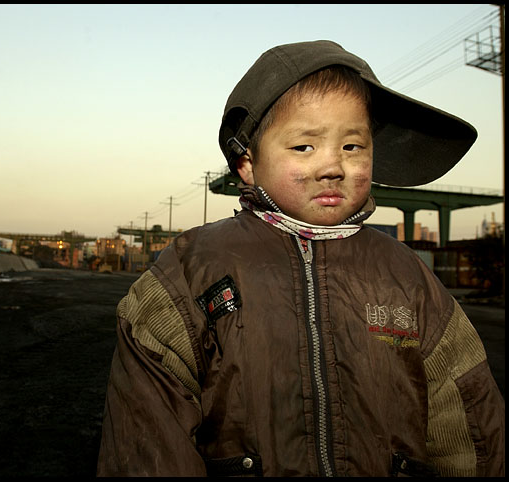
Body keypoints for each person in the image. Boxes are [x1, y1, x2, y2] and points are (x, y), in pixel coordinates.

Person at [96, 40, 505, 477]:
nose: (333, 166)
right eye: (303, 147)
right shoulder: (191, 272)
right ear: (247, 163)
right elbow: (146, 445)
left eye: (352, 146)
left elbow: (471, 430)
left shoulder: (409, 278)